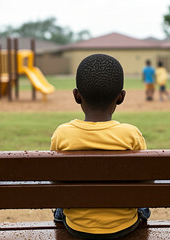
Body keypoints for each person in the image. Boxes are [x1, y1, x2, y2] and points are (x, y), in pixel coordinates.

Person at [51, 54, 150, 239]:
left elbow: (57, 183)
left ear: (76, 95)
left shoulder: (62, 134)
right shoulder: (131, 134)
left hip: (77, 226)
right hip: (124, 225)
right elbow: (144, 184)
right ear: (121, 97)